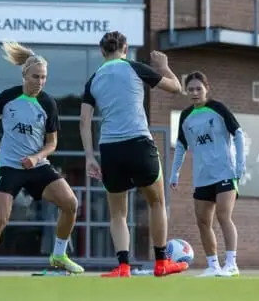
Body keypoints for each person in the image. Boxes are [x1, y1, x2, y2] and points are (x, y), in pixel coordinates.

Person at [0, 40, 82, 278]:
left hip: (37, 165)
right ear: (24, 75)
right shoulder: (8, 98)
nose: (39, 82)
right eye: (35, 77)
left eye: (43, 77)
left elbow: (52, 144)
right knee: (0, 219)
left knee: (70, 203)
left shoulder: (48, 103)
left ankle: (59, 254)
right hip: (9, 167)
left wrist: (36, 157)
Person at [79, 31, 188, 278]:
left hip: (110, 150)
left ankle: (123, 266)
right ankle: (161, 263)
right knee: (157, 202)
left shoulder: (93, 79)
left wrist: (89, 157)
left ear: (102, 52)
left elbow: (84, 121)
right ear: (125, 49)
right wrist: (164, 67)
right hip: (139, 144)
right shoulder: (135, 67)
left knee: (118, 213)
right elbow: (176, 89)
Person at [169, 71, 244, 277]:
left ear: (206, 88)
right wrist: (174, 173)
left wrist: (240, 165)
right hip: (202, 177)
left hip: (225, 173)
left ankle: (231, 264)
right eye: (190, 89)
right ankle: (213, 266)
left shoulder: (218, 109)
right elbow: (182, 146)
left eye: (198, 88)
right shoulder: (185, 116)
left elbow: (238, 133)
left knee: (223, 216)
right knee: (203, 221)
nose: (194, 92)